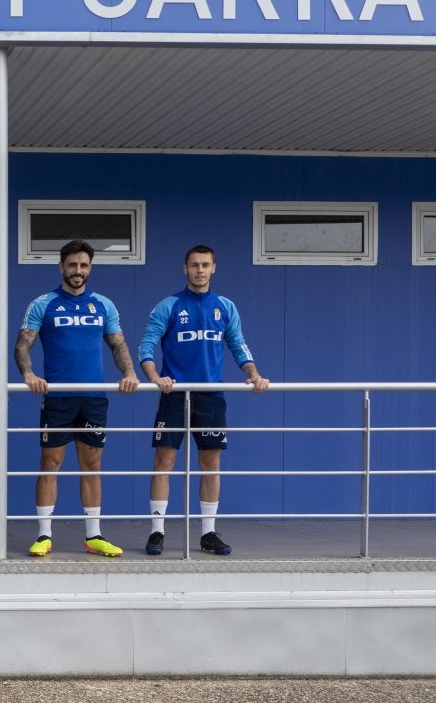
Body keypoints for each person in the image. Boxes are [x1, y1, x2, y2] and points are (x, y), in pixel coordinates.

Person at [139, 244, 269, 556]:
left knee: (211, 464)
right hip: (174, 396)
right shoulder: (168, 305)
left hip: (211, 397)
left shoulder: (224, 306)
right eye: (194, 265)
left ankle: (208, 532)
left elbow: (238, 344)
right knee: (164, 462)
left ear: (214, 268)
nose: (200, 270)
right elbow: (146, 344)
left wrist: (253, 373)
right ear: (185, 268)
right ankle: (157, 531)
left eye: (205, 265)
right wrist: (155, 377)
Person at [14, 239, 139, 559]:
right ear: (61, 267)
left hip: (93, 398)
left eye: (84, 265)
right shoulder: (44, 303)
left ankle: (93, 535)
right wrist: (29, 375)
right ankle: (44, 534)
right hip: (58, 397)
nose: (78, 271)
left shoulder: (104, 305)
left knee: (92, 465)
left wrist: (129, 373)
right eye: (72, 265)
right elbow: (22, 345)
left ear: (90, 268)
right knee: (50, 464)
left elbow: (118, 344)